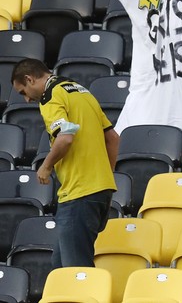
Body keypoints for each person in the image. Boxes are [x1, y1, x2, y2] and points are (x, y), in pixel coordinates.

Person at [11, 59, 119, 268]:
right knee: (60, 266)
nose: (26, 100)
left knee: (76, 271)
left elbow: (65, 137)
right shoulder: (81, 92)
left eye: (23, 92)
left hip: (78, 192)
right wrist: (106, 175)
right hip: (100, 190)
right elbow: (113, 138)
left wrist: (46, 165)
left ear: (29, 79)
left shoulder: (50, 97)